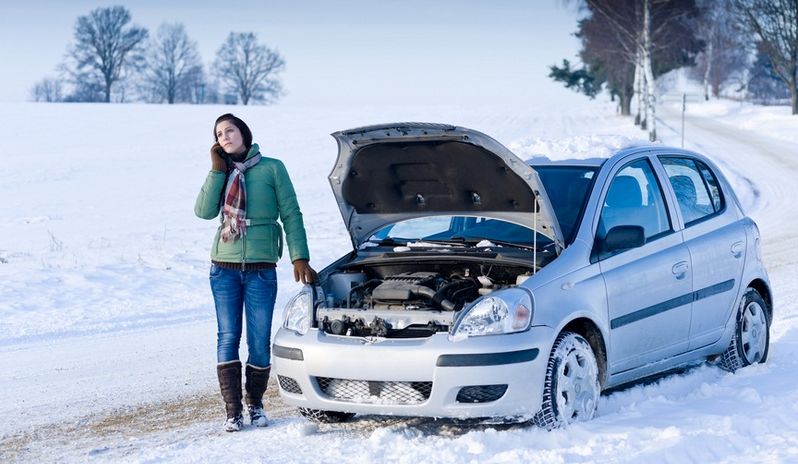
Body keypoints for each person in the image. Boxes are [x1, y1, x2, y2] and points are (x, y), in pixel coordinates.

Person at [194, 113, 317, 432]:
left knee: (259, 340)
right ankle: (232, 411)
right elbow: (204, 212)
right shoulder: (222, 172)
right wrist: (216, 170)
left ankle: (256, 405)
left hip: (262, 268)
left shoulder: (272, 168)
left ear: (244, 133)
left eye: (229, 130)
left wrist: (299, 256)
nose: (224, 137)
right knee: (228, 337)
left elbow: (291, 213)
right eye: (219, 134)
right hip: (223, 267)